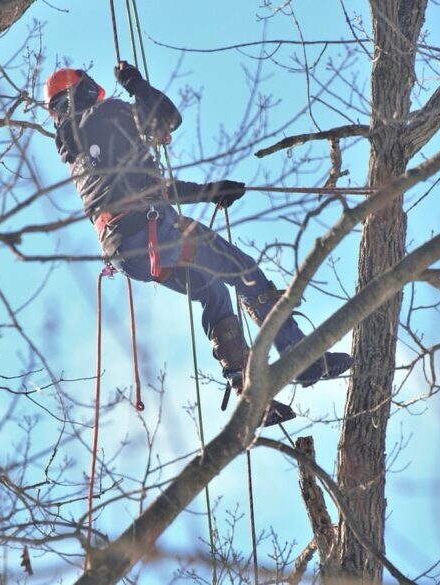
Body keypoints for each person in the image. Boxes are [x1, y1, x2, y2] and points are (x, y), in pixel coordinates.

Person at [46, 62, 352, 426]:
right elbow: (167, 118)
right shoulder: (108, 114)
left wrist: (209, 192)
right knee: (242, 269)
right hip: (153, 231)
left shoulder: (78, 151)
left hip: (131, 253)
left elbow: (144, 192)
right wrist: (134, 83)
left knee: (212, 290)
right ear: (85, 90)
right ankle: (301, 356)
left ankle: (248, 391)